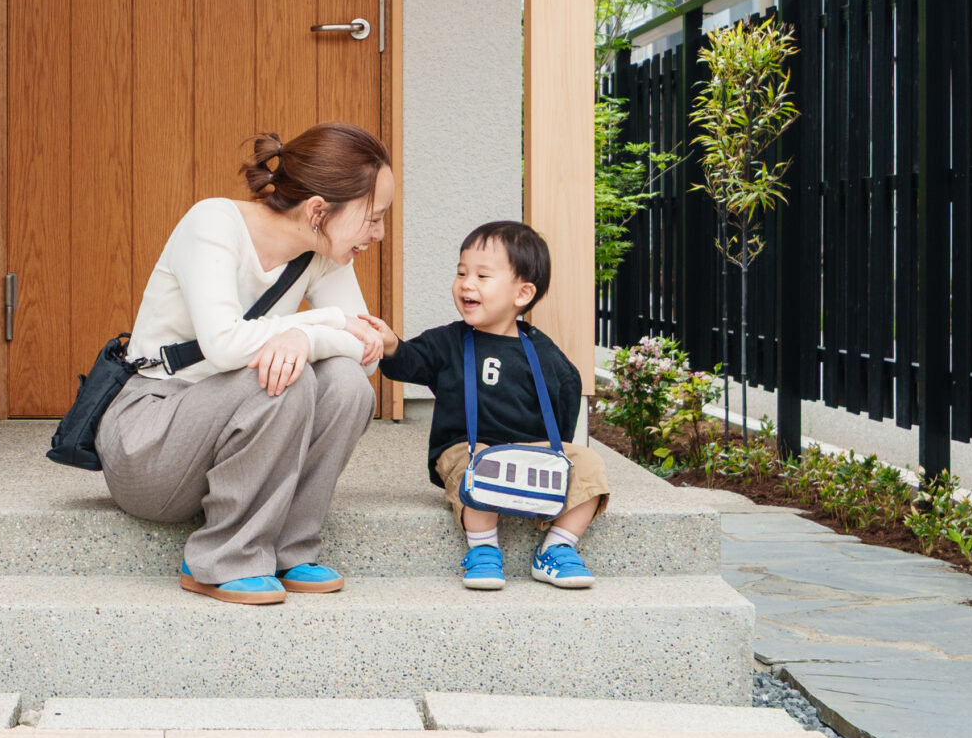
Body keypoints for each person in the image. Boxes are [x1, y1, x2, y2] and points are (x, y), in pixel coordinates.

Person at [97, 123, 401, 606]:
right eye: (373, 218)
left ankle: (287, 547)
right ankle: (223, 559)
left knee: (345, 383)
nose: (380, 233)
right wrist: (317, 327)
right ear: (318, 211)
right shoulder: (213, 223)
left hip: (232, 433)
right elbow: (223, 346)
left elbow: (362, 354)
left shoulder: (324, 253)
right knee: (283, 376)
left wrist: (304, 333)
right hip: (151, 442)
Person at [377, 220, 610, 591]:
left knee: (588, 463)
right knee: (480, 462)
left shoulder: (545, 355)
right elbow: (409, 360)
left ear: (522, 293)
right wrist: (390, 345)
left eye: (482, 276)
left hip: (525, 453)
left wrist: (554, 457)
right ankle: (483, 549)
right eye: (461, 272)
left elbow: (565, 401)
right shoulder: (449, 342)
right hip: (467, 451)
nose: (466, 283)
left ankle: (558, 547)